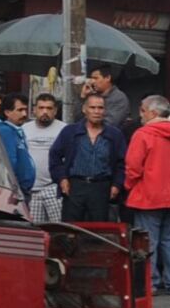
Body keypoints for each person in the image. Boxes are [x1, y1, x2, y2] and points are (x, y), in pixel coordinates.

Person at [49, 93, 127, 222]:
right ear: (84, 109)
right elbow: (55, 156)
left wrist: (117, 185)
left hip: (101, 187)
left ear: (105, 110)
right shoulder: (70, 131)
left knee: (98, 232)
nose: (96, 111)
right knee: (71, 230)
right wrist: (62, 179)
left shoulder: (114, 135)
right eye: (92, 107)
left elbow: (122, 163)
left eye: (100, 108)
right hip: (75, 186)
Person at [124, 95, 170, 294]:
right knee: (168, 240)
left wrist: (128, 185)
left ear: (153, 113)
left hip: (149, 196)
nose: (140, 114)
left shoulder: (143, 134)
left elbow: (133, 167)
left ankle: (149, 282)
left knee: (148, 241)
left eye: (142, 110)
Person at [22, 93, 67, 223]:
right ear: (34, 110)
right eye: (41, 108)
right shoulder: (24, 129)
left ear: (55, 111)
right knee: (34, 231)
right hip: (32, 190)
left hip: (54, 188)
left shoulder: (64, 129)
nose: (45, 112)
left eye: (49, 108)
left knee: (59, 230)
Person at [0, 93, 36, 198]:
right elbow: (9, 162)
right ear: (7, 112)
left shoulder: (15, 130)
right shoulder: (5, 131)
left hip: (21, 190)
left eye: (25, 110)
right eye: (20, 110)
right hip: (15, 192)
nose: (24, 114)